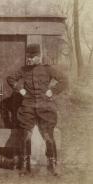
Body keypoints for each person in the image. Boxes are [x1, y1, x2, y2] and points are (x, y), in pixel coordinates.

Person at [7, 44, 68, 176]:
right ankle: (25, 165)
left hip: (45, 107)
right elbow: (10, 78)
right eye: (28, 56)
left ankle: (52, 164)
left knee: (48, 136)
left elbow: (64, 80)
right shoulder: (24, 70)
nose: (30, 59)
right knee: (26, 136)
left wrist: (52, 91)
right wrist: (20, 89)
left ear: (39, 56)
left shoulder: (48, 69)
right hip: (28, 107)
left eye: (32, 57)